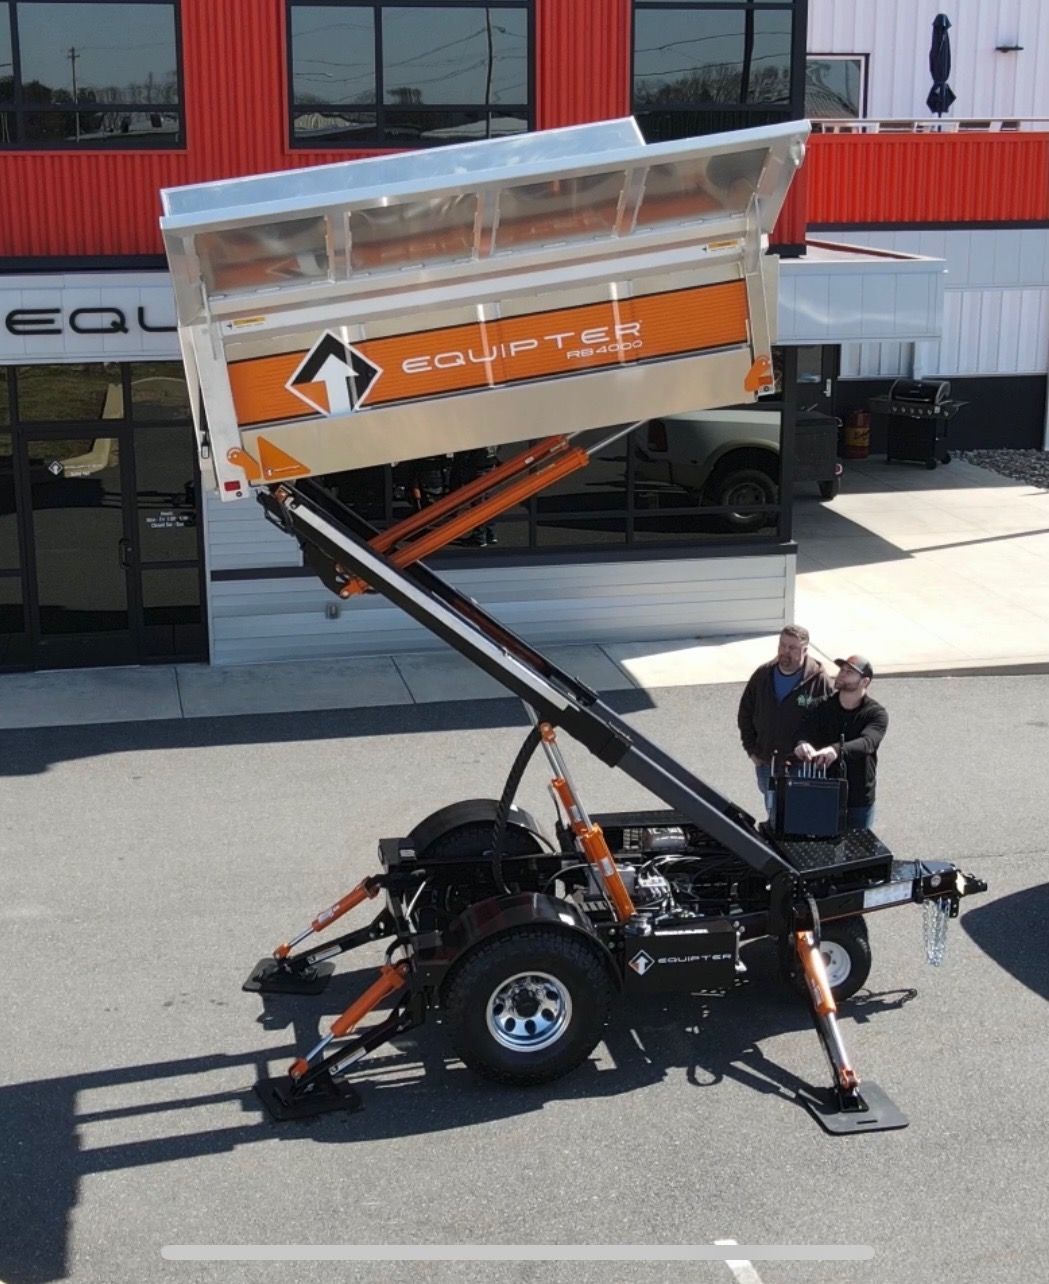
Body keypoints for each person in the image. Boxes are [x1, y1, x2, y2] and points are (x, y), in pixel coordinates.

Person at [737, 625, 832, 809]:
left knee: (799, 817)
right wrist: (751, 750)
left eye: (792, 648)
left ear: (805, 650)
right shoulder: (763, 675)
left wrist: (817, 752)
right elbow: (745, 713)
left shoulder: (819, 681)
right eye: (782, 645)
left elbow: (830, 722)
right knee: (774, 815)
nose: (785, 652)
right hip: (767, 762)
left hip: (803, 766)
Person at [795, 655, 888, 831]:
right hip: (823, 791)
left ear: (864, 681)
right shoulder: (820, 706)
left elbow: (868, 742)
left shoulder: (876, 714)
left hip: (858, 797)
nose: (841, 674)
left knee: (859, 853)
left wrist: (835, 750)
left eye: (849, 672)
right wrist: (802, 744)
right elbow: (803, 732)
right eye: (842, 670)